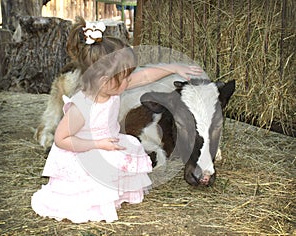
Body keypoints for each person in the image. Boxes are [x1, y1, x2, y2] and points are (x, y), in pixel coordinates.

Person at [31, 16, 203, 223]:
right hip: (83, 152)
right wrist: (96, 144)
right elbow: (61, 139)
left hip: (106, 144)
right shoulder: (82, 106)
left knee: (125, 151)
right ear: (105, 80)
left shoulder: (110, 88)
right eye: (124, 76)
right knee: (90, 190)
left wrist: (174, 68)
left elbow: (146, 76)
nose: (129, 80)